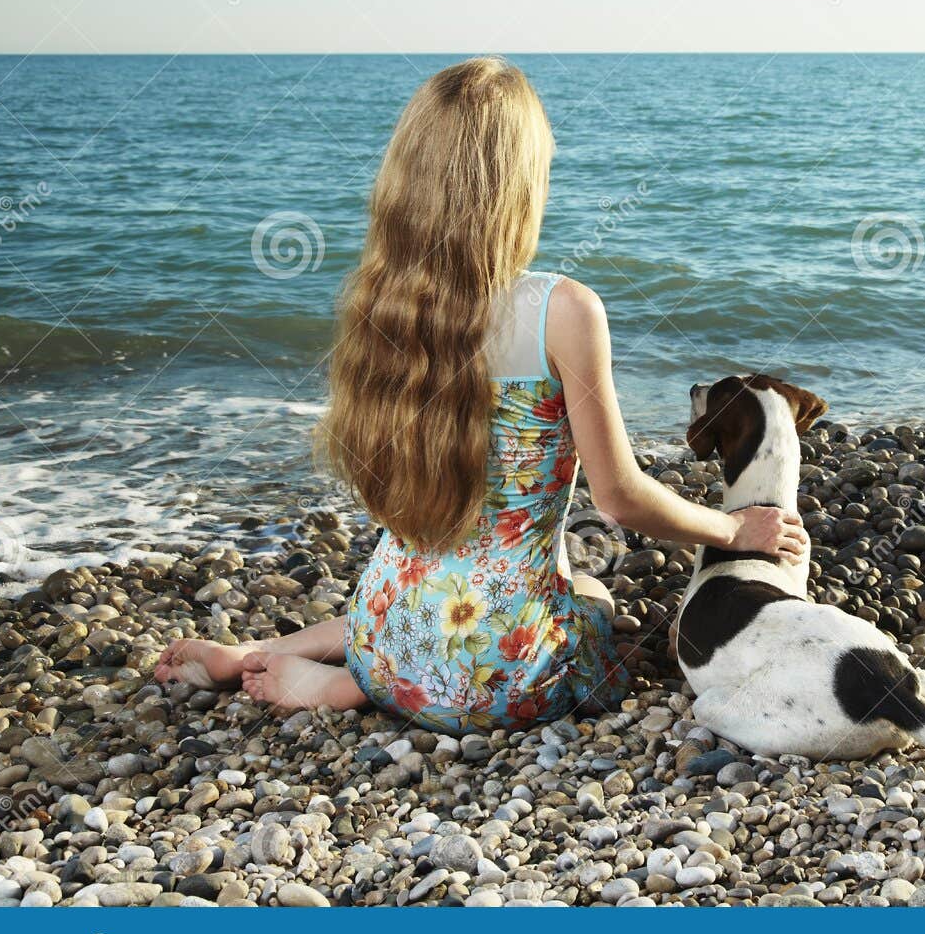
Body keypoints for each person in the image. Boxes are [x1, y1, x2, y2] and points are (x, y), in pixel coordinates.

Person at [154, 57, 807, 732]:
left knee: (420, 587)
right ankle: (344, 685)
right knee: (594, 596)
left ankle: (291, 664)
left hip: (385, 626)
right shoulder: (564, 309)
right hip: (499, 674)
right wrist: (733, 527)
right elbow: (619, 497)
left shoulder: (386, 306)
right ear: (518, 184)